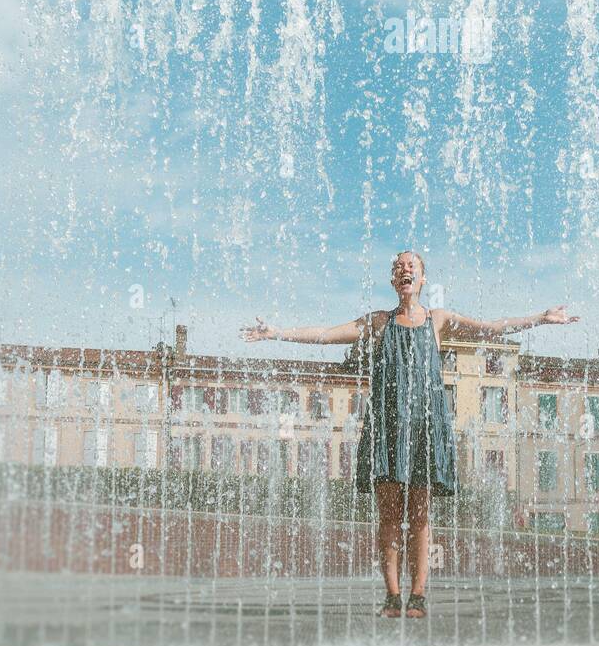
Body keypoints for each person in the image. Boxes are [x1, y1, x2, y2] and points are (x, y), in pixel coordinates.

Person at [241, 251, 577, 618]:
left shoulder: (439, 320)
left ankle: (417, 595)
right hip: (387, 427)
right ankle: (391, 596)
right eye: (398, 267)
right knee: (387, 516)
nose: (404, 270)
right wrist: (276, 333)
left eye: (410, 267)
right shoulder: (379, 322)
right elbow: (324, 334)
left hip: (424, 428)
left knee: (419, 518)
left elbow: (492, 327)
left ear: (422, 279)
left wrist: (540, 319)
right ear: (392, 281)